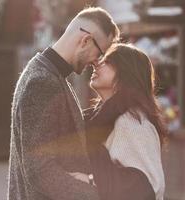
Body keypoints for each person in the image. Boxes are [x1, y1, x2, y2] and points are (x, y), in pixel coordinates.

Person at [7, 7, 119, 200]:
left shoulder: (48, 75)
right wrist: (97, 194)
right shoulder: (42, 81)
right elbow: (39, 170)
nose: (96, 63)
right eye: (100, 54)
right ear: (85, 41)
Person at [71, 43, 167, 200]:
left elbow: (152, 186)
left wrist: (89, 180)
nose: (96, 64)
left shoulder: (132, 121)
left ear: (126, 72)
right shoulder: (101, 118)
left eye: (107, 62)